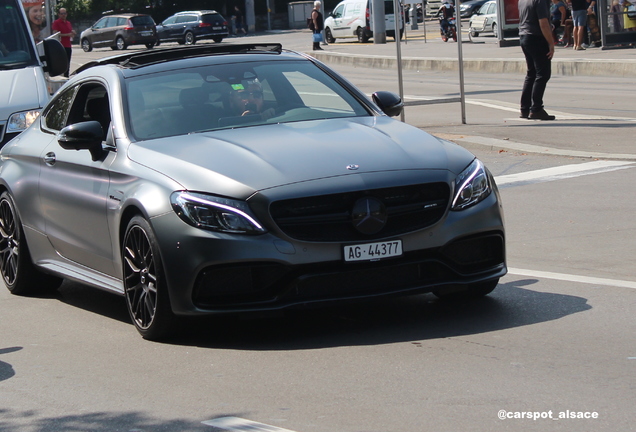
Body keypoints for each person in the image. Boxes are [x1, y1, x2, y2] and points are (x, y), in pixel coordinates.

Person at [518, 0, 556, 120]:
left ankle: (525, 108)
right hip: (537, 38)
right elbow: (543, 22)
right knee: (543, 74)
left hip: (524, 36)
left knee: (532, 73)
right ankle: (536, 109)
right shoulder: (540, 1)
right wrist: (551, 43)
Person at [51, 8, 75, 77]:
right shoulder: (56, 22)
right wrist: (67, 34)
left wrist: (72, 33)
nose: (63, 15)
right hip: (61, 46)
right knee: (61, 63)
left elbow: (70, 32)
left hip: (68, 45)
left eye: (64, 13)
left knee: (68, 62)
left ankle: (66, 76)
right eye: (62, 14)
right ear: (59, 14)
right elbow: (56, 34)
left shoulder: (68, 23)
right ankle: (61, 76)